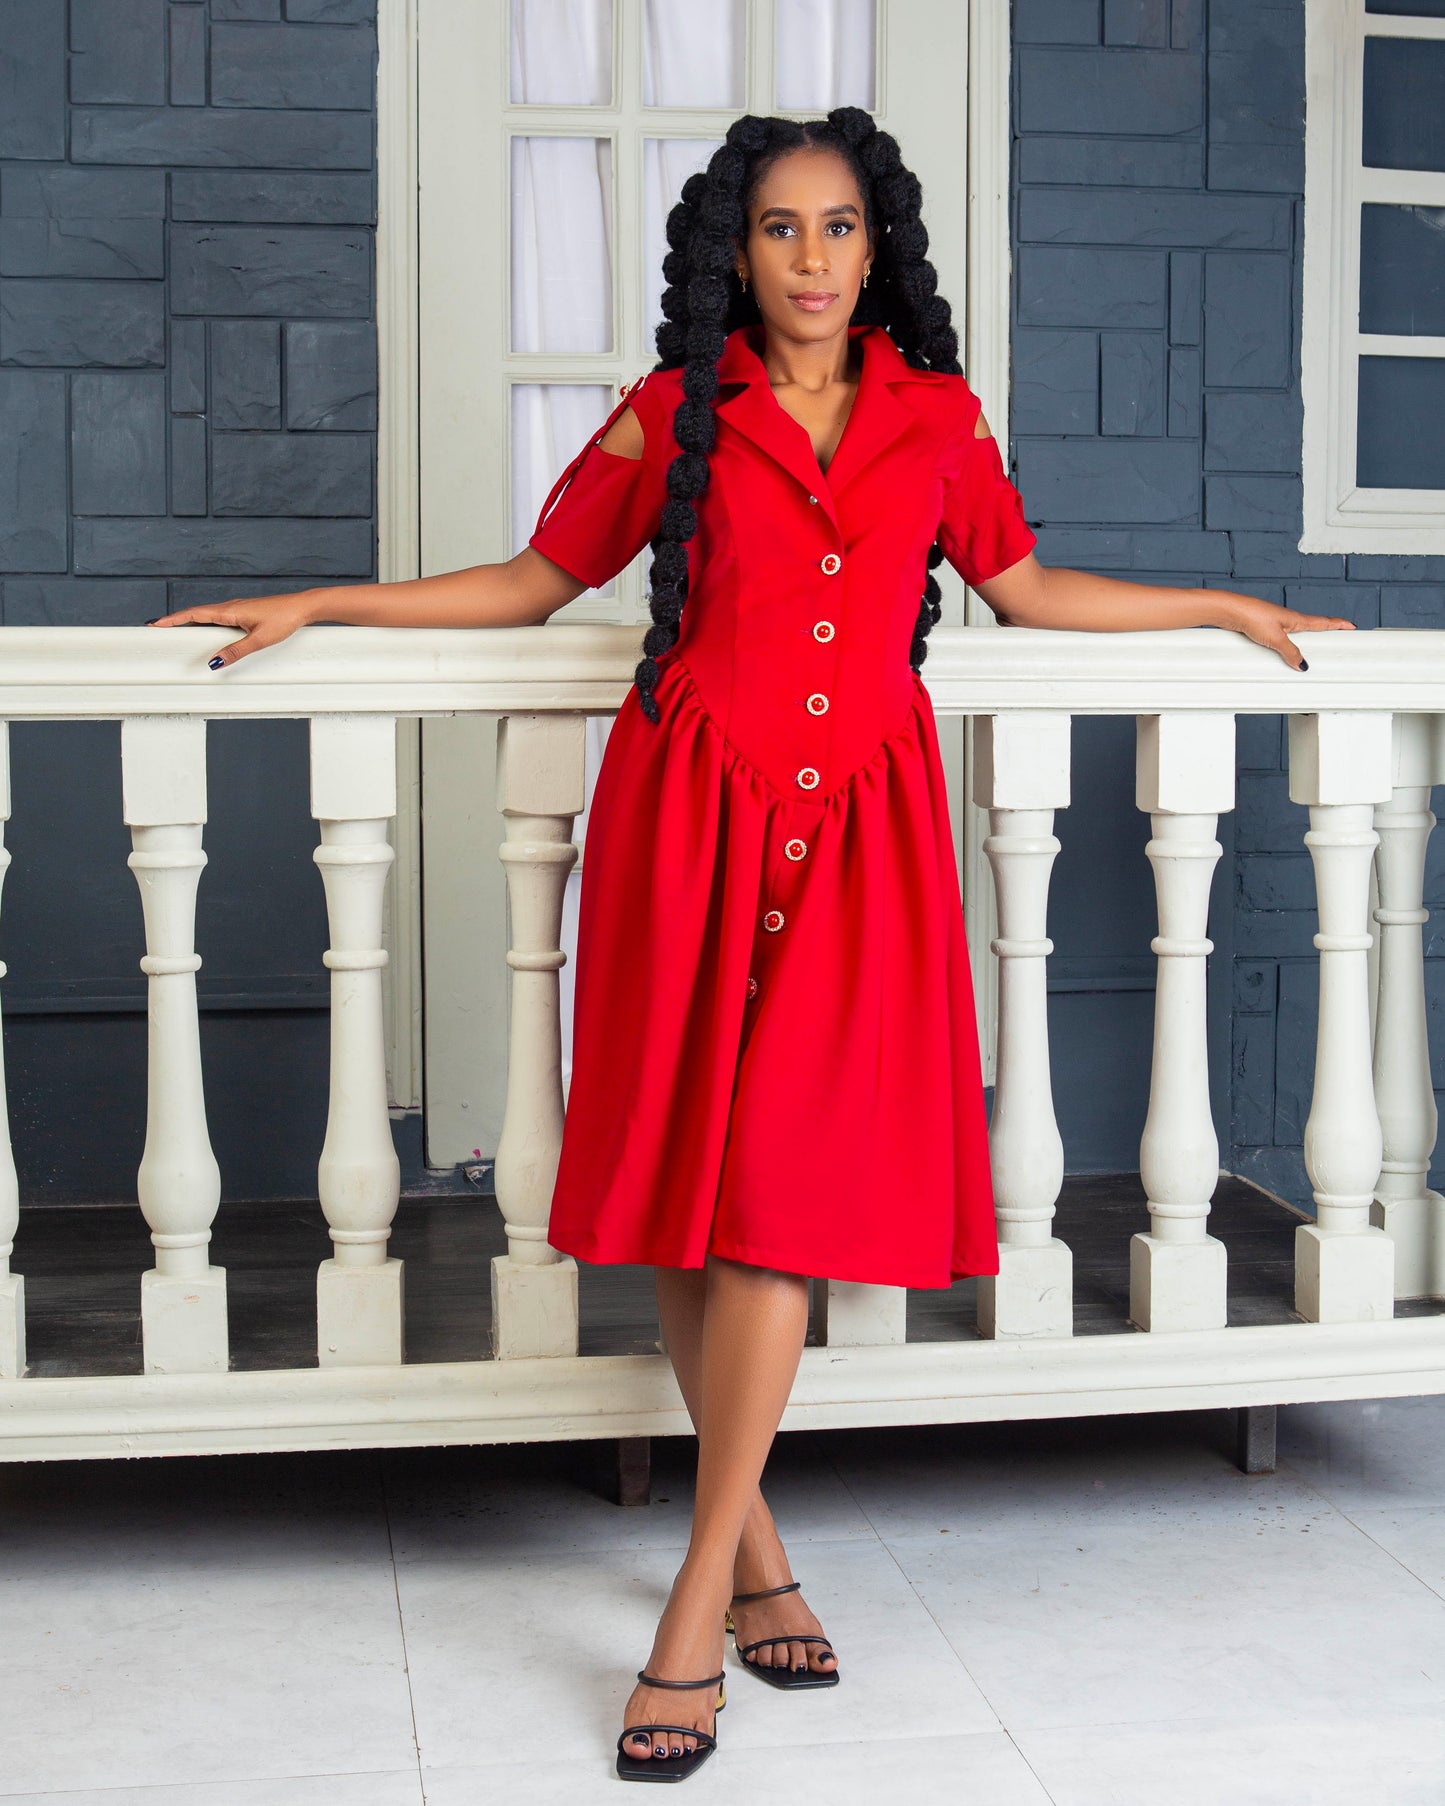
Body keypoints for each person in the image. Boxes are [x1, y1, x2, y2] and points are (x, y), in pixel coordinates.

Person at [150, 107, 1355, 1784]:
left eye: (838, 228)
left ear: (879, 247)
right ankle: (763, 1550)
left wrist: (1222, 605)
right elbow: (526, 581)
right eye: (777, 229)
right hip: (686, 824)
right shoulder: (671, 413)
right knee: (688, 1189)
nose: (808, 259)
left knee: (776, 1195)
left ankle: (689, 1602)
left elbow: (1024, 589)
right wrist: (316, 605)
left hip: (858, 834)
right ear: (735, 249)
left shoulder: (934, 417)